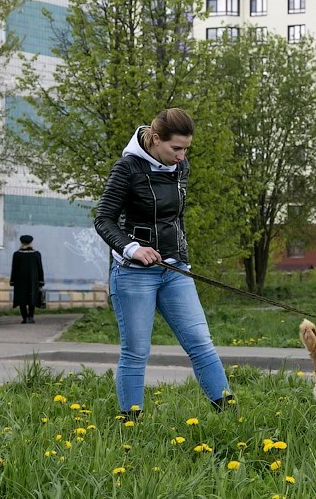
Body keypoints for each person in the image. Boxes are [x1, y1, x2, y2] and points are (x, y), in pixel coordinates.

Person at [94, 108, 233, 418]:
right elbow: (104, 219)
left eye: (186, 149)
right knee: (136, 351)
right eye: (176, 148)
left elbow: (176, 217)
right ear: (156, 139)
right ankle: (131, 422)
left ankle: (228, 413)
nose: (182, 156)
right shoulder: (127, 168)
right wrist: (132, 248)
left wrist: (181, 255)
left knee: (200, 341)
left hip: (174, 270)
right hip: (133, 274)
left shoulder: (180, 167)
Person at [10, 235, 45, 324]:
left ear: (21, 243)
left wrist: (12, 280)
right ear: (31, 243)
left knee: (21, 298)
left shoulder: (17, 254)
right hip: (33, 280)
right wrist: (41, 281)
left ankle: (25, 317)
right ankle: (31, 317)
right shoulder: (36, 254)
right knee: (32, 298)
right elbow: (40, 268)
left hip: (20, 280)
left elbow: (14, 268)